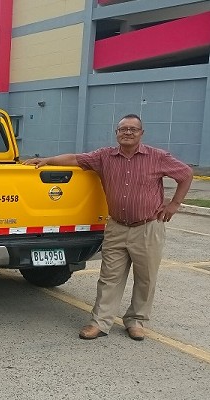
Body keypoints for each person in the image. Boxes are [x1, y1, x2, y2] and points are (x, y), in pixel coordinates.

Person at [23, 114, 193, 341]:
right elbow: (75, 159)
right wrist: (47, 160)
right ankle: (100, 322)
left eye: (133, 129)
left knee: (146, 278)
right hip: (116, 227)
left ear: (142, 133)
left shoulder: (157, 157)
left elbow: (186, 174)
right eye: (123, 129)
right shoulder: (105, 156)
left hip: (148, 227)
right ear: (117, 133)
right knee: (109, 277)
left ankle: (136, 321)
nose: (128, 132)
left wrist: (174, 204)